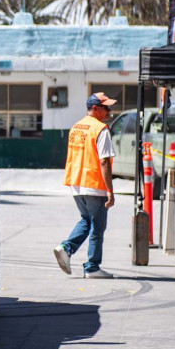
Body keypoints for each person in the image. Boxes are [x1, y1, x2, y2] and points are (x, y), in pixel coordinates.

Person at [54, 92, 117, 279]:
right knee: (97, 228)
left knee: (86, 221)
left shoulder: (76, 127)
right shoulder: (101, 129)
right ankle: (92, 267)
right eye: (106, 107)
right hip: (94, 184)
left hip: (77, 183)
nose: (109, 111)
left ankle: (66, 248)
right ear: (95, 108)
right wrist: (110, 191)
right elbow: (104, 162)